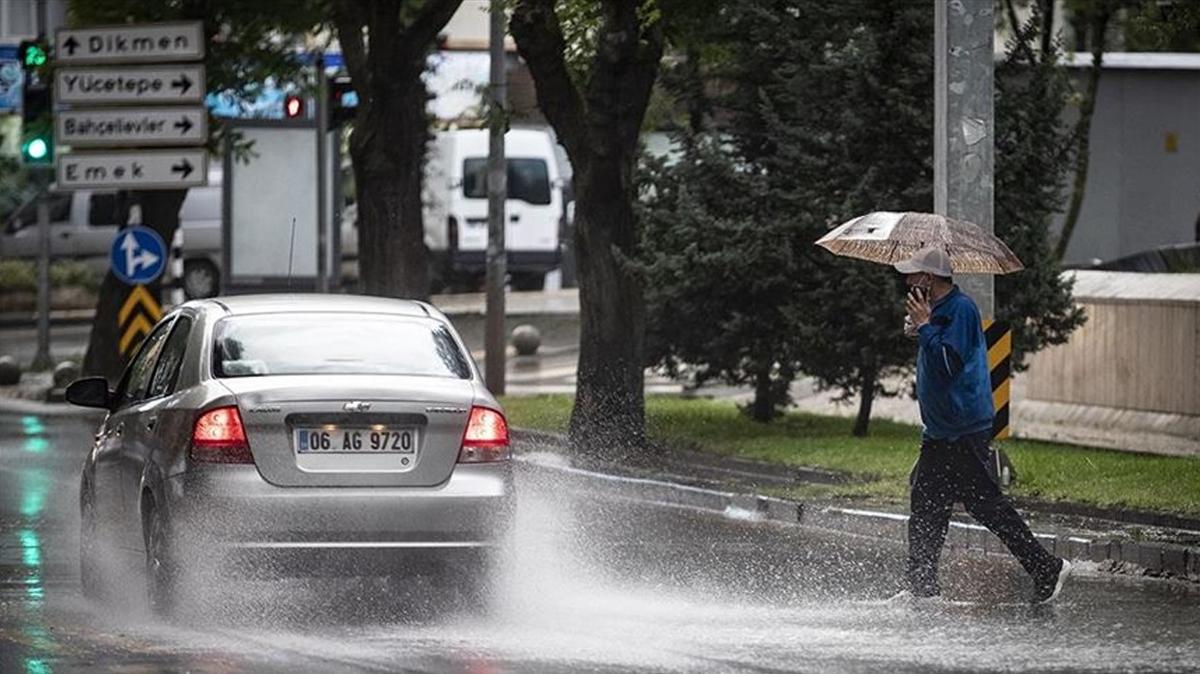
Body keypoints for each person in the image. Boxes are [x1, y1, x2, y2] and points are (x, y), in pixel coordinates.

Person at [894, 245, 1070, 604]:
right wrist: (919, 328)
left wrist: (926, 328)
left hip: (962, 427)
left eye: (913, 274)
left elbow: (948, 364)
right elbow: (935, 350)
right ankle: (922, 587)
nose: (908, 280)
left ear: (929, 278)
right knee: (927, 504)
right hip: (941, 430)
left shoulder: (960, 310)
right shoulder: (937, 310)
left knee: (985, 505)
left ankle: (1046, 568)